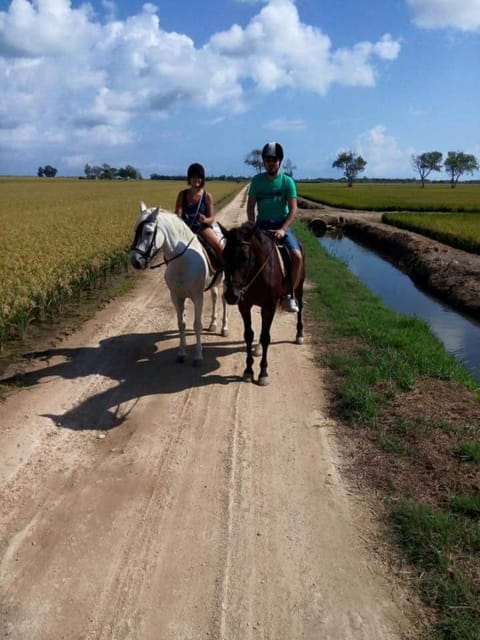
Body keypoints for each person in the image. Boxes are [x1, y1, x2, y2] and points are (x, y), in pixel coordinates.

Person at [246, 141, 303, 312]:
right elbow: (250, 206)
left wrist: (283, 229)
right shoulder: (256, 181)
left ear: (280, 161)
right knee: (244, 252)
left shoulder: (287, 182)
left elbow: (293, 210)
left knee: (297, 256)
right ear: (263, 161)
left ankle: (290, 294)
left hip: (281, 225)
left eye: (274, 159)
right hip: (262, 226)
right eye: (267, 159)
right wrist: (253, 225)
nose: (271, 162)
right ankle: (243, 287)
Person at [175, 163, 224, 264]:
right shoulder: (182, 194)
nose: (196, 179)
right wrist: (178, 215)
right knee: (170, 249)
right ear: (189, 178)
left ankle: (225, 269)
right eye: (193, 177)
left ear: (202, 179)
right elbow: (178, 210)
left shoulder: (207, 196)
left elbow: (211, 218)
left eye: (199, 177)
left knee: (218, 245)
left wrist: (205, 220)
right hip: (185, 227)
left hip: (202, 228)